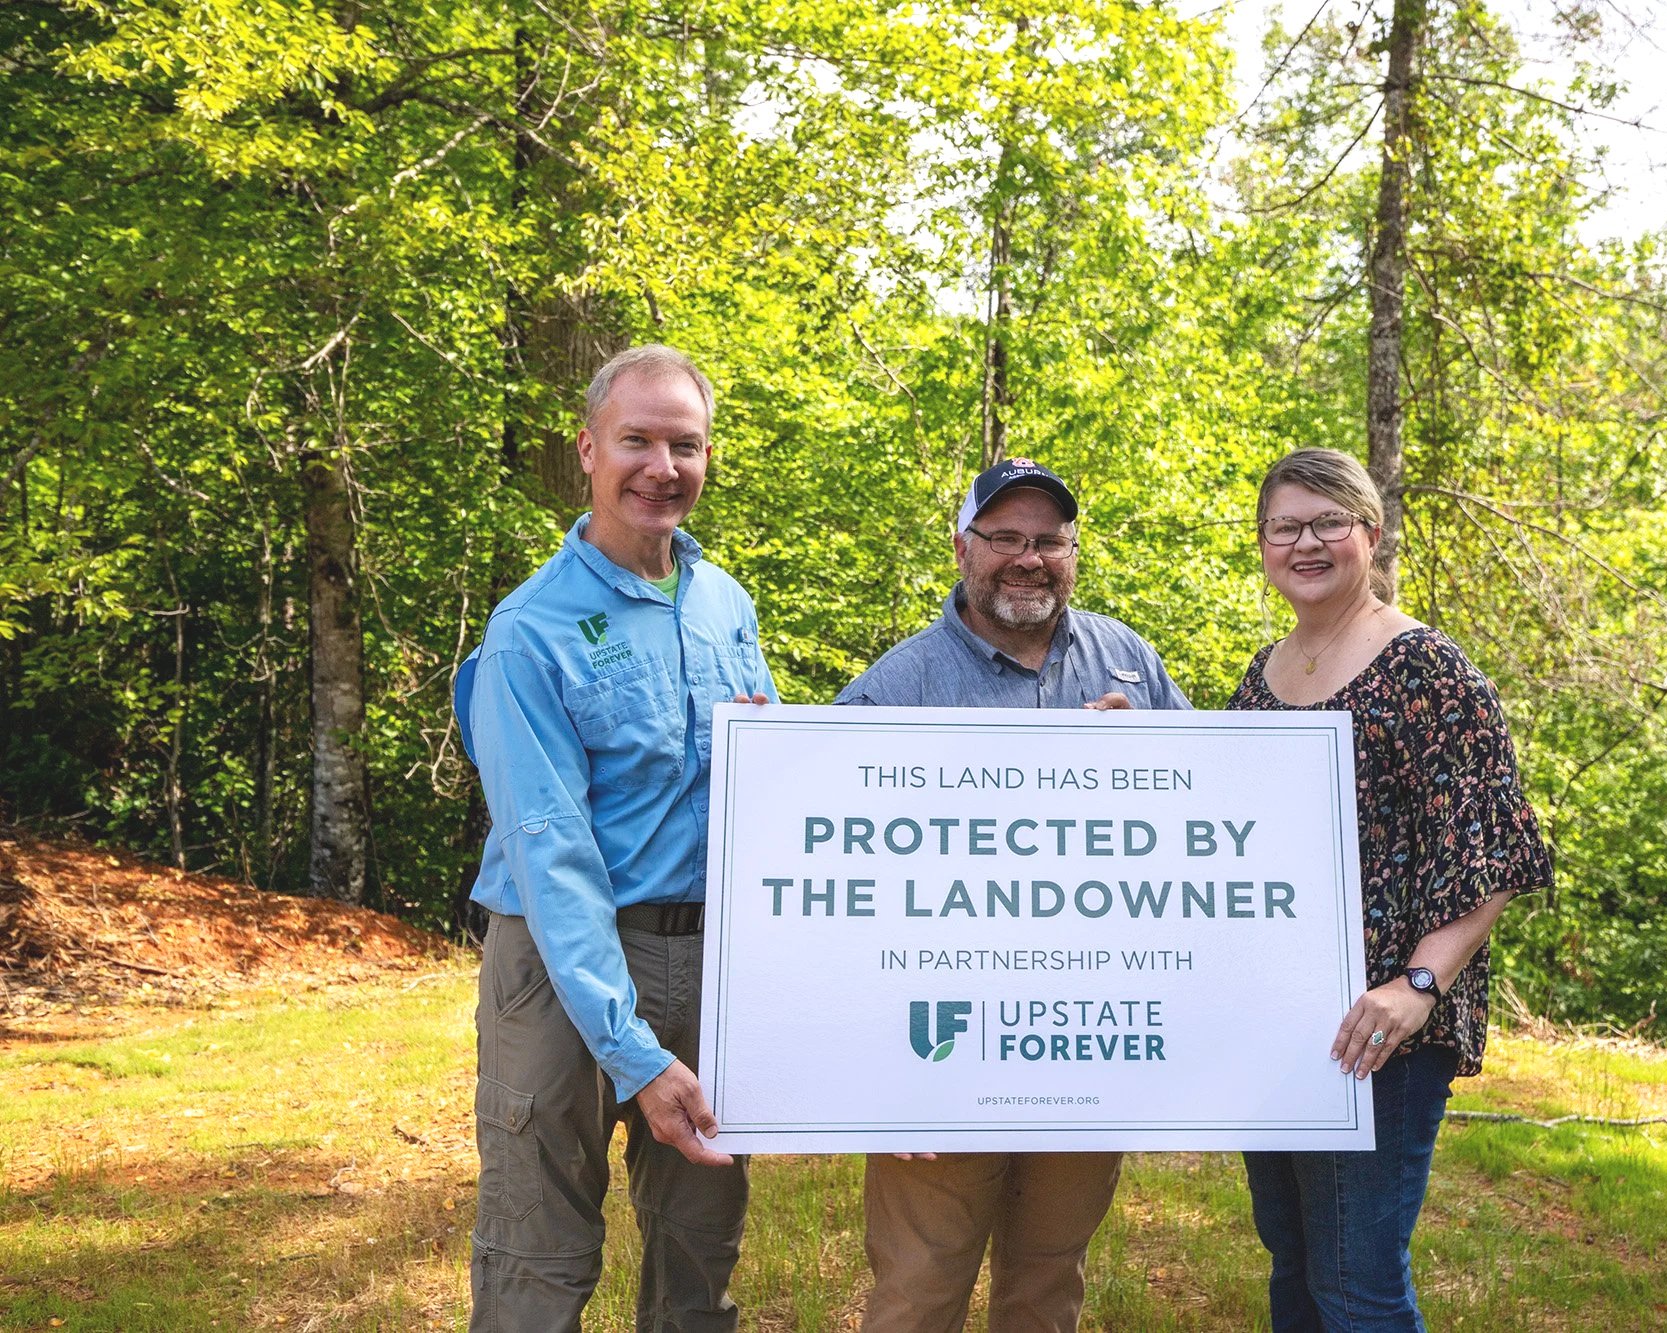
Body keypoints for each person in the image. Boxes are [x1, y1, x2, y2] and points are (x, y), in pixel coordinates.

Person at [454, 344, 776, 1331]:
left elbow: (766, 787)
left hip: (702, 953)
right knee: (540, 1255)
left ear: (707, 456)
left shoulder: (724, 603)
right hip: (557, 966)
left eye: (682, 444)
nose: (660, 466)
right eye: (635, 440)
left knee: (699, 1242)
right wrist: (630, 1050)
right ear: (588, 449)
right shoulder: (530, 630)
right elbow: (552, 856)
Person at [836, 457, 1191, 1332]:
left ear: (1073, 552)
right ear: (963, 547)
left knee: (1047, 1285)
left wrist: (1153, 765)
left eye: (1049, 540)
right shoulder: (896, 686)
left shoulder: (1130, 663)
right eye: (1004, 538)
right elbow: (826, 875)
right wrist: (871, 1065)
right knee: (919, 1290)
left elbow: (1206, 817)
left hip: (1085, 1040)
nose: (1027, 558)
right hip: (940, 1046)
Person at [1228, 447, 1552, 1332]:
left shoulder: (1428, 670)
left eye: (1328, 521)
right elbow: (1228, 816)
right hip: (1283, 1021)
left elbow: (1493, 852)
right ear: (1262, 544)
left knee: (1356, 1275)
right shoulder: (1265, 674)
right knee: (1294, 1259)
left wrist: (1417, 985)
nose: (1307, 542)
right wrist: (1142, 749)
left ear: (1370, 532)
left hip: (1381, 1032)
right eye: (1285, 526)